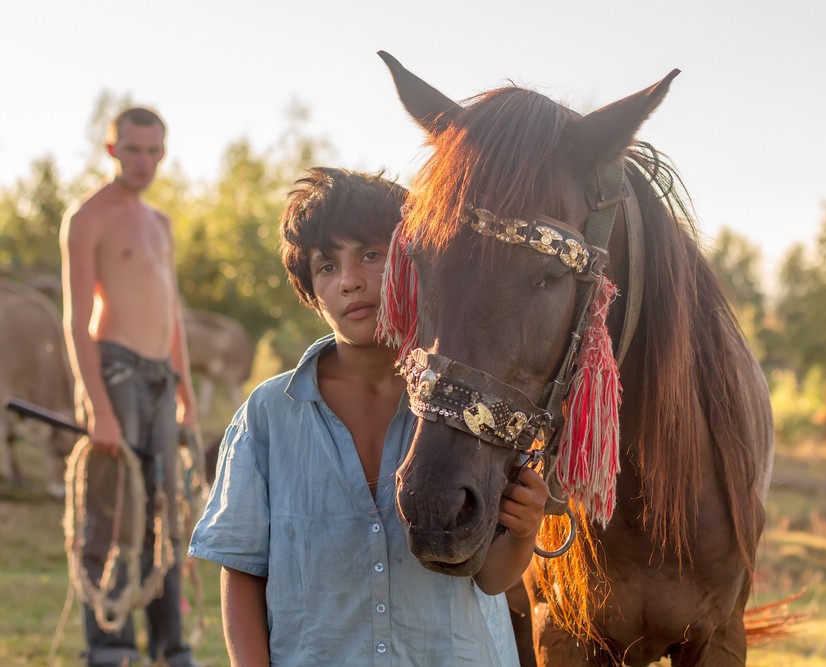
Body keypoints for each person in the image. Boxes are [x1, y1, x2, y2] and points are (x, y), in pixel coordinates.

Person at [188, 167, 547, 666]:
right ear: (310, 290)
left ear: (416, 263)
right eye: (327, 267)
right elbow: (244, 571)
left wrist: (525, 529)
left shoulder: (471, 406)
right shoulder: (268, 416)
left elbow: (491, 579)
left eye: (371, 256)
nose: (351, 282)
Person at [60, 106, 200, 667]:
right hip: (114, 372)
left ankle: (171, 645)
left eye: (154, 150)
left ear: (163, 152)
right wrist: (99, 407)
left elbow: (172, 316)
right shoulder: (88, 217)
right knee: (115, 509)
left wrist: (185, 388)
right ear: (112, 150)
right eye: (133, 150)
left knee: (165, 510)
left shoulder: (160, 224)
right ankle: (110, 644)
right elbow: (74, 321)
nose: (144, 161)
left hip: (161, 379)